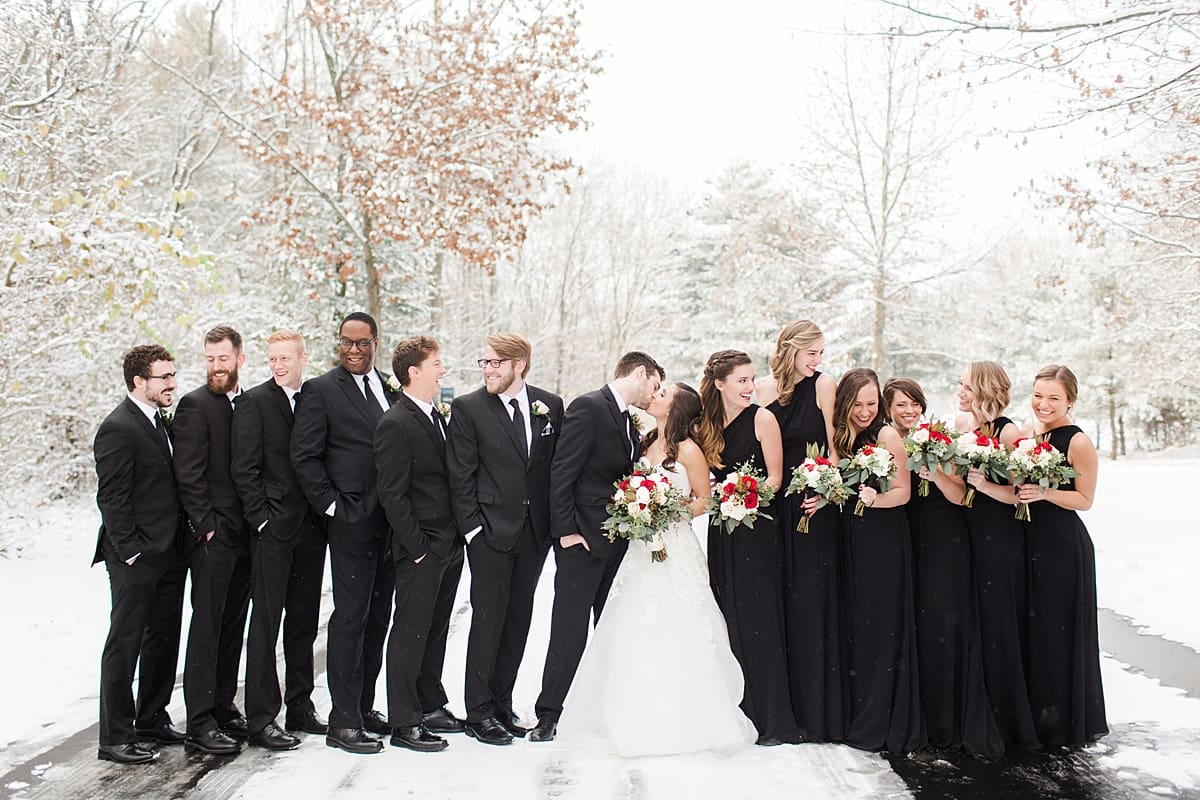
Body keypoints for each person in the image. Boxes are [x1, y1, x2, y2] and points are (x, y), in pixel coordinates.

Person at [557, 382, 757, 755]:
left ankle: (682, 714)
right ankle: (625, 710)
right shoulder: (643, 440)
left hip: (674, 546)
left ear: (677, 408)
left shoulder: (689, 450)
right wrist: (638, 510)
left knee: (677, 621)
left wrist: (665, 514)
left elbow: (704, 500)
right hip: (639, 548)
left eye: (663, 393)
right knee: (631, 622)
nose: (655, 395)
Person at [530, 351, 664, 742]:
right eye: (654, 385)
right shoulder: (589, 406)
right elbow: (562, 471)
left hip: (615, 543)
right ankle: (549, 712)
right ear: (641, 373)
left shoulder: (626, 419)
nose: (654, 394)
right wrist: (566, 532)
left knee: (608, 629)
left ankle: (600, 708)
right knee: (569, 629)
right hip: (581, 540)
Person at [447, 333, 564, 745]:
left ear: (520, 365)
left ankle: (502, 703)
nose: (488, 370)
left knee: (518, 621)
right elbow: (460, 475)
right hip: (490, 534)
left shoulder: (550, 405)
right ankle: (478, 712)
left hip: (534, 535)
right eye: (485, 362)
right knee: (487, 620)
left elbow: (553, 470)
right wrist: (473, 530)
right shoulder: (468, 408)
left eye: (496, 363)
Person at [291, 312, 396, 755]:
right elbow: (304, 456)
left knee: (378, 617)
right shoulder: (320, 390)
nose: (354, 350)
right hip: (351, 522)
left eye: (362, 342)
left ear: (376, 343)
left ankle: (364, 706)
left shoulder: (390, 388)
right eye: (346, 342)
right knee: (350, 619)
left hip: (390, 523)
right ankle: (343, 720)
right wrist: (333, 505)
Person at [884, 378, 1002, 759]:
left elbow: (961, 495)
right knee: (912, 625)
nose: (909, 410)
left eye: (914, 403)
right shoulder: (884, 443)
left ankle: (947, 718)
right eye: (901, 404)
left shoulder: (939, 439)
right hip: (905, 539)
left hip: (943, 539)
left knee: (944, 624)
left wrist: (934, 472)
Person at [698, 350, 801, 746]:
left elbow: (776, 479)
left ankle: (771, 718)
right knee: (729, 615)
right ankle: (737, 712)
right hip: (721, 529)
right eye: (741, 380)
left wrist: (743, 495)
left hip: (757, 528)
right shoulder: (707, 423)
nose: (749, 386)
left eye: (751, 379)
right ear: (720, 383)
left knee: (759, 618)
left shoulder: (763, 418)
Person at [231, 330, 328, 750]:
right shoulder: (254, 402)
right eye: (272, 359)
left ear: (303, 358)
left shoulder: (313, 397)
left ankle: (301, 707)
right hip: (272, 532)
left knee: (304, 623)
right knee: (266, 625)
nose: (278, 365)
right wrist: (263, 522)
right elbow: (244, 469)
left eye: (285, 357)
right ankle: (261, 718)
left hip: (310, 531)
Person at [93, 345, 188, 765]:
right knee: (125, 643)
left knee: (163, 639)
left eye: (172, 374)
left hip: (168, 552)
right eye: (162, 377)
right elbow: (111, 498)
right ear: (138, 382)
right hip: (134, 555)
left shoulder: (161, 422)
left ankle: (152, 719)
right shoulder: (118, 427)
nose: (171, 383)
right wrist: (130, 552)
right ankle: (115, 736)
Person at [375, 336, 466, 753]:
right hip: (421, 548)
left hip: (448, 545)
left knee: (435, 630)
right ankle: (405, 720)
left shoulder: (437, 417)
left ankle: (430, 704)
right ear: (414, 372)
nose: (442, 369)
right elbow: (392, 494)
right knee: (410, 632)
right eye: (436, 364)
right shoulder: (395, 423)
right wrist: (418, 548)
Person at [762, 320, 847, 743]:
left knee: (811, 600)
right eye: (811, 352)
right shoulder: (763, 390)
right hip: (774, 505)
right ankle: (781, 708)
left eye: (821, 352)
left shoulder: (824, 385)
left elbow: (835, 448)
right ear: (790, 350)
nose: (818, 360)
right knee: (780, 600)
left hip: (814, 506)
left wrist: (830, 491)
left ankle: (817, 712)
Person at [833, 368, 925, 754]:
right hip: (848, 539)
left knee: (881, 624)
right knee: (855, 623)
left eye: (873, 403)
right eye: (859, 404)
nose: (866, 411)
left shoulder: (886, 435)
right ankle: (855, 710)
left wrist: (874, 500)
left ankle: (883, 717)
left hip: (883, 539)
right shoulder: (839, 436)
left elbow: (904, 492)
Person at [173, 325, 252, 755]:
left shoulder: (249, 402)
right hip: (213, 537)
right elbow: (188, 473)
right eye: (209, 359)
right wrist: (206, 525)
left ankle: (223, 707)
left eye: (223, 359)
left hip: (245, 537)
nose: (216, 367)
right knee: (206, 627)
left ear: (239, 359)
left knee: (231, 626)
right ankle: (199, 721)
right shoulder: (194, 405)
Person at [1019, 365, 1108, 746]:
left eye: (1054, 397)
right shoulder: (1027, 435)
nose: (1044, 404)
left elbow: (1085, 500)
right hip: (1026, 541)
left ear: (1070, 400)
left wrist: (1044, 493)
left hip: (1062, 546)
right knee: (1034, 630)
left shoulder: (1078, 442)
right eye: (1039, 395)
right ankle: (1036, 715)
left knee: (1059, 632)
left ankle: (1063, 720)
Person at [955, 361, 1040, 751]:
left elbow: (1022, 496)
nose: (960, 393)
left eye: (966, 387)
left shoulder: (1009, 432)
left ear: (985, 390)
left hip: (1000, 537)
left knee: (998, 624)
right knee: (977, 623)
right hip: (970, 533)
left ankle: (1005, 720)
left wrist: (985, 486)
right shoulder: (968, 429)